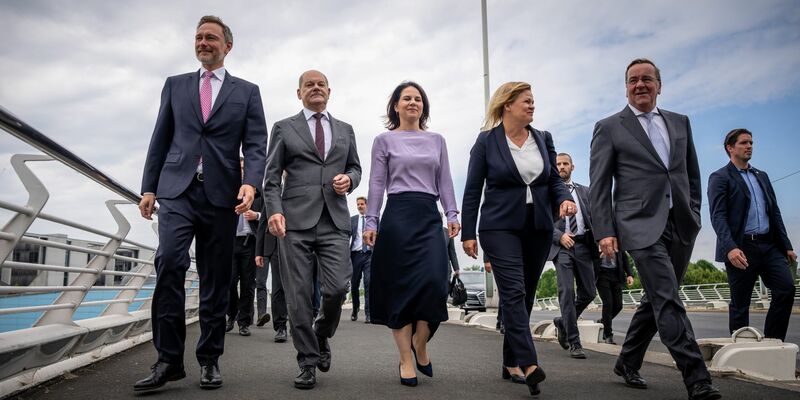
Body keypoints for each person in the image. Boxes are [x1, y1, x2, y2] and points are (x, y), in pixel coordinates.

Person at [135, 15, 267, 392]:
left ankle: (209, 358)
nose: (203, 42)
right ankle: (168, 360)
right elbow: (160, 138)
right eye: (198, 37)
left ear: (227, 46)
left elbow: (255, 144)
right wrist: (149, 188)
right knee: (169, 262)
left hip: (222, 195)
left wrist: (250, 183)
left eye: (211, 37)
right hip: (177, 191)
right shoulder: (175, 85)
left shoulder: (247, 92)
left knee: (215, 279)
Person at [589, 58, 720, 400]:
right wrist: (604, 230)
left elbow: (691, 173)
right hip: (638, 224)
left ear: (659, 85)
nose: (640, 85)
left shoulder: (680, 122)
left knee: (657, 298)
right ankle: (697, 378)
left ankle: (627, 361)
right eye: (633, 80)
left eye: (647, 79)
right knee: (667, 297)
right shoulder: (609, 127)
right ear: (626, 88)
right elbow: (599, 185)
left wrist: (694, 211)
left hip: (681, 222)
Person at [462, 81, 575, 397]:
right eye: (526, 100)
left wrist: (564, 199)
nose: (532, 105)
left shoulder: (543, 138)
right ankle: (528, 363)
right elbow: (472, 190)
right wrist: (468, 233)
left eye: (533, 100)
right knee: (513, 291)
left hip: (538, 227)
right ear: (507, 104)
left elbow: (553, 179)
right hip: (499, 227)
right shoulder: (486, 141)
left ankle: (510, 361)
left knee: (525, 296)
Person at [263, 70, 361, 390]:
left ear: (329, 91)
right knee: (298, 295)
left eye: (321, 85)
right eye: (309, 85)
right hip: (294, 222)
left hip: (334, 220)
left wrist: (350, 180)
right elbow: (271, 177)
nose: (316, 88)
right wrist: (275, 211)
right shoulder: (284, 127)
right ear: (299, 93)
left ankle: (321, 333)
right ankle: (307, 361)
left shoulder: (345, 129)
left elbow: (355, 167)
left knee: (337, 288)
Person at [363, 81, 460, 388]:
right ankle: (406, 358)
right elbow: (377, 183)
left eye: (418, 99)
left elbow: (445, 180)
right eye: (406, 98)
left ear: (423, 106)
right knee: (400, 289)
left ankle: (421, 342)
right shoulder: (384, 140)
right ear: (396, 105)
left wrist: (452, 213)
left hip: (428, 216)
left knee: (434, 282)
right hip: (397, 216)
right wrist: (370, 222)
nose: (413, 102)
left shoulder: (437, 140)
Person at [708, 128, 796, 340]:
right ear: (730, 148)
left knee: (786, 289)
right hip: (741, 248)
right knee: (741, 303)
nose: (749, 146)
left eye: (751, 143)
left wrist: (787, 246)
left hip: (769, 246)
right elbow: (718, 216)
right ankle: (740, 348)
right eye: (744, 143)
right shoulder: (720, 177)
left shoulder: (761, 176)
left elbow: (774, 212)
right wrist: (730, 247)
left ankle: (773, 342)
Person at [548, 153, 598, 359]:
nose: (561, 167)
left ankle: (563, 322)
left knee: (589, 292)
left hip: (584, 246)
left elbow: (595, 217)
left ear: (572, 167)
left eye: (565, 163)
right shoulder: (549, 193)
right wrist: (559, 236)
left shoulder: (585, 191)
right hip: (561, 248)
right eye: (558, 164)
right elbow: (541, 219)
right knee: (567, 291)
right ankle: (574, 342)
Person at [226, 158, 262, 337]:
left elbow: (268, 214)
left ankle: (244, 322)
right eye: (239, 168)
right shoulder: (228, 191)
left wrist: (257, 215)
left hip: (250, 243)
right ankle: (231, 314)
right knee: (230, 282)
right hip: (231, 242)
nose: (241, 171)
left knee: (248, 284)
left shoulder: (257, 192)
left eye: (244, 168)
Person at [255, 203, 289, 343]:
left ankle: (301, 323)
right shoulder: (270, 195)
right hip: (275, 245)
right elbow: (262, 223)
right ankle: (281, 327)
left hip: (298, 242)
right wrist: (259, 252)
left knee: (301, 286)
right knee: (278, 286)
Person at [595, 251, 634, 344]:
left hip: (616, 274)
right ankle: (607, 335)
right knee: (608, 304)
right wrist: (599, 256)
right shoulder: (596, 243)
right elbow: (590, 258)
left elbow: (624, 258)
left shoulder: (617, 243)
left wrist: (629, 274)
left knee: (618, 305)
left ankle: (604, 321)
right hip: (601, 275)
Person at [350, 196, 373, 323]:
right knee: (354, 284)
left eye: (362, 204)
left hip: (369, 254)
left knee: (368, 283)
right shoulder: (352, 220)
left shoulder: (373, 220)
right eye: (358, 204)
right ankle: (355, 309)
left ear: (366, 205)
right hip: (356, 255)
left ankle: (368, 313)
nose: (359, 206)